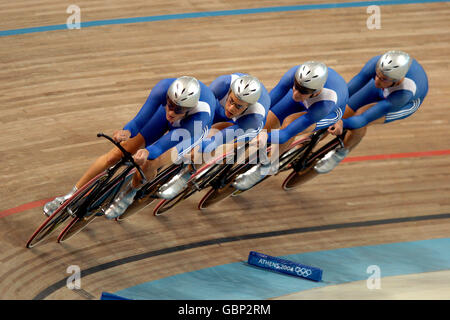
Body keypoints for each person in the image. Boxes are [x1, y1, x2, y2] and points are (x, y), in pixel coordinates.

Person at [43, 76, 216, 219]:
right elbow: (140, 120)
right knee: (116, 154)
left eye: (178, 110)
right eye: (170, 106)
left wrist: (147, 152)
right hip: (173, 117)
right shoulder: (163, 88)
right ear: (168, 98)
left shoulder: (199, 119)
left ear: (189, 108)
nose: (171, 113)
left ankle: (130, 192)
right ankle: (69, 196)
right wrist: (126, 131)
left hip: (187, 132)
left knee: (150, 162)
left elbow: (159, 147)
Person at [233, 61, 348, 190]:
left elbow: (286, 133)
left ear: (317, 90)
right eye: (296, 86)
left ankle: (269, 165)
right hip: (306, 100)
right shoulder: (294, 75)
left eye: (303, 91)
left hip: (328, 113)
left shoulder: (325, 104)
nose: (296, 94)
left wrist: (265, 137)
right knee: (266, 122)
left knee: (290, 124)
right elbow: (267, 105)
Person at [156, 73, 271, 199]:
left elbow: (214, 141)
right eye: (231, 100)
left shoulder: (253, 118)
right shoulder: (222, 85)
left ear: (248, 106)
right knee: (197, 130)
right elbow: (201, 115)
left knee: (211, 144)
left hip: (246, 124)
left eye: (238, 106)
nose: (231, 108)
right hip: (220, 109)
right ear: (230, 91)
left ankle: (186, 176)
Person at [314, 50, 428, 173]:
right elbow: (350, 89)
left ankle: (342, 152)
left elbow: (364, 118)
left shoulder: (404, 93)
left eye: (383, 79)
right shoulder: (378, 64)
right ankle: (307, 144)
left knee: (360, 116)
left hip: (403, 104)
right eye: (377, 75)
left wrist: (343, 123)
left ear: (397, 79)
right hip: (383, 89)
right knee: (343, 109)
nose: (377, 81)